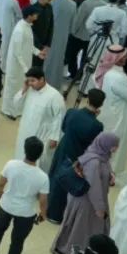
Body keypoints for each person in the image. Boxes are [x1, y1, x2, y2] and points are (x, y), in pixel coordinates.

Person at [52, 132, 120, 254]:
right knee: (79, 231)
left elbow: (105, 172)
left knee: (84, 230)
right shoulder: (94, 161)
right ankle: (70, 253)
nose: (117, 147)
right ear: (106, 144)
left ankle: (80, 253)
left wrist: (111, 175)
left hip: (93, 201)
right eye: (115, 145)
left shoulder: (103, 156)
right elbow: (93, 186)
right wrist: (99, 208)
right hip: (87, 202)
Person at [46, 91, 106, 222]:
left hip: (63, 148)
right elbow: (92, 144)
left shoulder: (72, 112)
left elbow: (63, 128)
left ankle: (48, 207)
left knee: (55, 175)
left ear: (87, 99)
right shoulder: (97, 125)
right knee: (67, 182)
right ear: (101, 105)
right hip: (78, 154)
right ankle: (58, 214)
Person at [91, 44, 127, 174]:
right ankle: (108, 172)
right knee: (114, 146)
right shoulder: (117, 77)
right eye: (124, 56)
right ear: (116, 58)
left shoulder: (101, 70)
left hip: (104, 112)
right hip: (118, 116)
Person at [11, 68, 65, 173]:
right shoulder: (29, 90)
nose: (30, 83)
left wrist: (54, 138)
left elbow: (59, 117)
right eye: (28, 80)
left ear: (42, 79)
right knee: (21, 155)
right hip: (25, 131)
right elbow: (16, 104)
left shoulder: (54, 95)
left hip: (42, 135)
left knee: (39, 163)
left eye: (33, 80)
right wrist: (24, 88)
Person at [1, 5, 42, 119]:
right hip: (17, 65)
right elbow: (17, 52)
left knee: (20, 87)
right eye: (35, 14)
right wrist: (26, 69)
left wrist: (38, 52)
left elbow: (28, 45)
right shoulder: (20, 30)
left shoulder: (27, 26)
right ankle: (8, 110)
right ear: (29, 16)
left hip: (24, 64)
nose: (37, 15)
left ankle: (16, 110)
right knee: (13, 87)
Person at [69, 0, 106, 80]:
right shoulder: (104, 5)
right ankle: (81, 76)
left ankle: (73, 75)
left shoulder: (86, 3)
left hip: (80, 34)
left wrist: (73, 31)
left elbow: (79, 20)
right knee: (86, 58)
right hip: (94, 36)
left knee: (72, 55)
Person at [43, 0, 75, 89]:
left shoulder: (51, 2)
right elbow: (72, 24)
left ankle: (43, 81)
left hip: (49, 34)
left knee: (47, 58)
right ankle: (55, 84)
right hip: (63, 35)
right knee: (59, 59)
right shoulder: (72, 4)